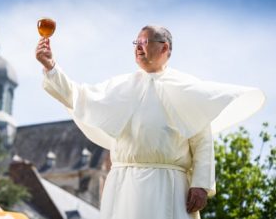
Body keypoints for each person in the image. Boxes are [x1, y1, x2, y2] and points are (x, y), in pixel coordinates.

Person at [35, 25, 265, 219]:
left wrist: (201, 184)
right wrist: (50, 66)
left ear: (164, 47)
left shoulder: (188, 87)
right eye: (136, 42)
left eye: (144, 42)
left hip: (169, 186)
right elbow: (79, 97)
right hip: (123, 186)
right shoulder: (120, 87)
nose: (138, 47)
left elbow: (202, 139)